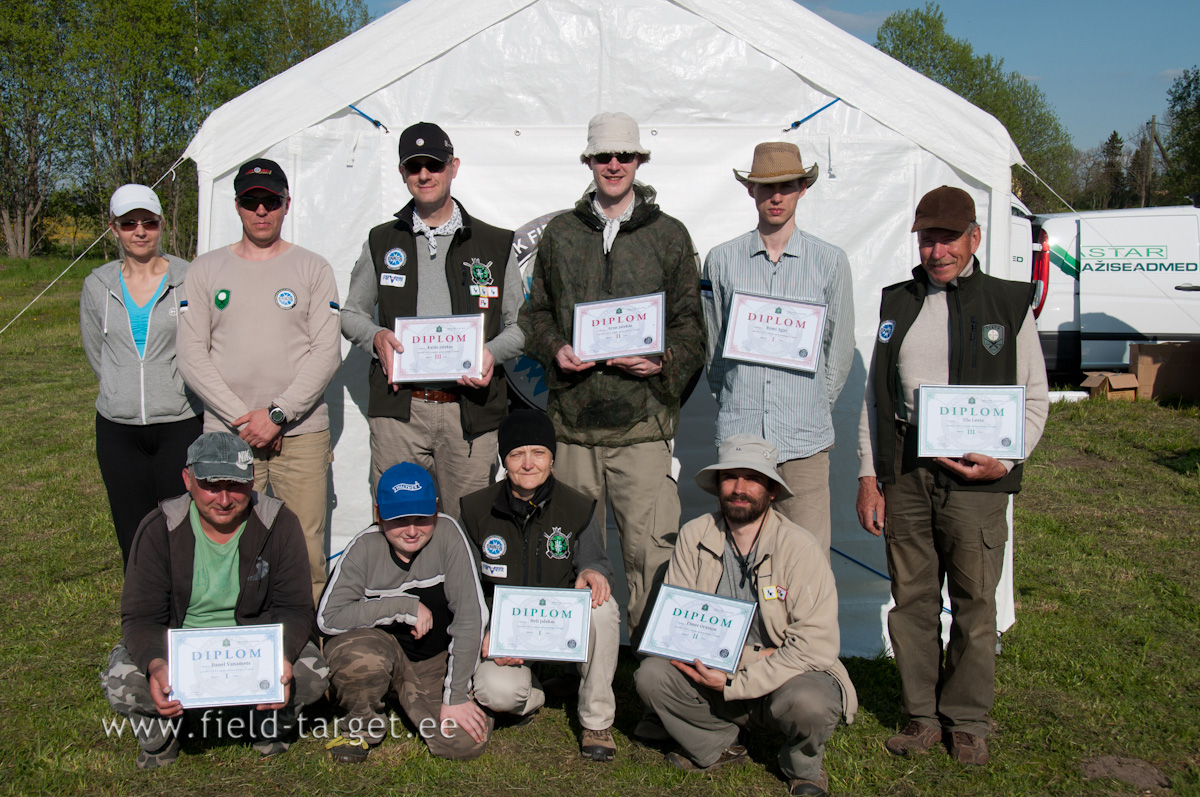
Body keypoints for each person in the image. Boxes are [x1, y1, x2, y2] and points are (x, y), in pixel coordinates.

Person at [855, 186, 1049, 766]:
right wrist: (870, 475)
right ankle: (921, 716)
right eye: (927, 239)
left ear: (974, 238)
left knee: (974, 600)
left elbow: (1035, 397)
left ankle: (965, 720)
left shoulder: (1008, 303)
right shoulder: (898, 302)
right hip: (908, 469)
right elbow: (874, 397)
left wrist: (1006, 461)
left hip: (978, 477)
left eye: (948, 239)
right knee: (911, 597)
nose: (937, 251)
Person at [520, 111, 705, 642]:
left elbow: (692, 326)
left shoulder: (669, 235)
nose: (615, 164)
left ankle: (655, 672)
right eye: (604, 156)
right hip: (572, 428)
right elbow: (535, 315)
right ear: (589, 162)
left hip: (643, 426)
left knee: (651, 557)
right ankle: (573, 665)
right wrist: (555, 348)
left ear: (640, 160)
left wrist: (662, 360)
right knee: (570, 555)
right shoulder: (561, 234)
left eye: (625, 155)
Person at [635, 434, 857, 797]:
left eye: (753, 479)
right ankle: (722, 743)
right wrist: (731, 664)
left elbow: (815, 647)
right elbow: (675, 629)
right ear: (717, 485)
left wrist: (735, 677)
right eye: (730, 477)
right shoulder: (694, 535)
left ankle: (802, 768)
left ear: (772, 491)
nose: (739, 489)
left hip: (785, 677)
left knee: (810, 702)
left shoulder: (800, 547)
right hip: (713, 667)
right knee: (651, 675)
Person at [102, 432, 328, 769]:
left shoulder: (280, 523)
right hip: (180, 648)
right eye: (210, 486)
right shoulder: (159, 528)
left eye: (235, 485)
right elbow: (141, 617)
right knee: (124, 680)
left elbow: (295, 608)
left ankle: (266, 721)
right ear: (187, 480)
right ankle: (161, 731)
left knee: (311, 673)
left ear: (252, 479)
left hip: (251, 648)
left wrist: (280, 657)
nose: (223, 499)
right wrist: (157, 665)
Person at [176, 158, 341, 604]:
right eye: (251, 201)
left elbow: (326, 352)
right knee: (227, 539)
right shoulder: (205, 269)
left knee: (304, 544)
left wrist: (277, 415)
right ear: (237, 206)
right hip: (228, 435)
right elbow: (191, 354)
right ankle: (233, 628)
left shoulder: (313, 268)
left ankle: (305, 633)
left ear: (287, 203)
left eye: (271, 201)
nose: (261, 210)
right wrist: (243, 419)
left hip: (299, 434)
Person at [341, 122, 524, 514]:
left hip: (470, 410)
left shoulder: (495, 243)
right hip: (400, 412)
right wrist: (375, 338)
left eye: (434, 165)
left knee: (469, 527)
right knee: (398, 523)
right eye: (414, 166)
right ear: (402, 173)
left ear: (453, 167)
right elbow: (351, 314)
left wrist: (490, 354)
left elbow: (521, 326)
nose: (424, 174)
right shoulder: (381, 240)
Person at [702, 143, 854, 557]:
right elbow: (714, 350)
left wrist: (811, 401)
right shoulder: (721, 260)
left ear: (803, 188)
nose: (776, 196)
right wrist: (737, 399)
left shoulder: (830, 262)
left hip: (804, 441)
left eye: (786, 186)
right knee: (740, 556)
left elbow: (839, 349)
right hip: (741, 439)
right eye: (766, 187)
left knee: (808, 560)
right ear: (750, 190)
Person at [459, 409, 621, 762]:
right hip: (507, 634)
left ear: (552, 457)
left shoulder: (577, 507)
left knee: (602, 606)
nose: (528, 463)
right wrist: (484, 633)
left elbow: (596, 560)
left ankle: (596, 720)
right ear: (504, 460)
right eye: (517, 454)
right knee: (495, 693)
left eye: (538, 452)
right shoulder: (475, 510)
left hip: (559, 627)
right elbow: (464, 586)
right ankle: (534, 694)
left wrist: (593, 571)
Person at [317, 461, 490, 762]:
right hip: (379, 652)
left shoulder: (449, 534)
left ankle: (411, 699)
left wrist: (456, 697)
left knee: (462, 743)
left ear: (436, 509)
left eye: (421, 518)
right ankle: (361, 725)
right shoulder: (364, 547)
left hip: (432, 663)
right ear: (378, 514)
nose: (411, 530)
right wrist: (403, 606)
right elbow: (328, 618)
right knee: (359, 656)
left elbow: (470, 617)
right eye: (398, 519)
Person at [81, 184, 203, 566]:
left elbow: (201, 344)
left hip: (179, 422)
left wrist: (171, 389)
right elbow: (97, 353)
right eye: (128, 223)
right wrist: (121, 390)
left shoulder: (188, 277)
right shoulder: (97, 285)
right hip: (118, 429)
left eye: (148, 222)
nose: (139, 231)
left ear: (162, 225)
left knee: (183, 529)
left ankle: (184, 598)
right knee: (132, 531)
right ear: (113, 229)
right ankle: (141, 599)